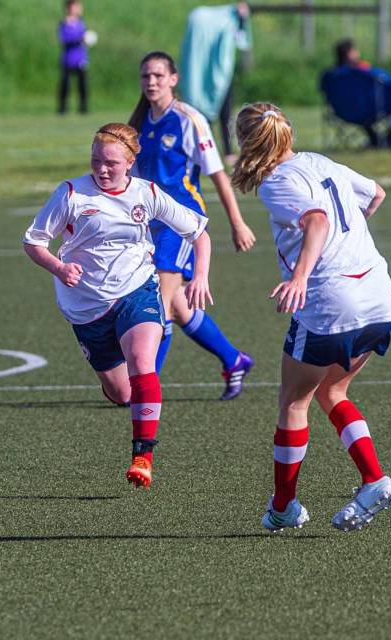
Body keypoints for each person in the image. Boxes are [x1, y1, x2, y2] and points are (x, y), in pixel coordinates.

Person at [233, 102, 391, 532]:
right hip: (378, 296)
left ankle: (283, 508)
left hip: (331, 302)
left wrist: (301, 276)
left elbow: (318, 221)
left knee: (293, 401)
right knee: (333, 391)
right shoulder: (320, 161)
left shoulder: (277, 182)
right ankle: (373, 479)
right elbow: (376, 193)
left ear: (248, 143)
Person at [24, 123, 213, 489]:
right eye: (96, 160)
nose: (102, 169)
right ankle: (120, 389)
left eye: (111, 163)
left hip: (136, 290)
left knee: (143, 362)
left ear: (129, 163)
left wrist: (201, 276)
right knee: (121, 393)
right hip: (85, 308)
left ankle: (143, 456)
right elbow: (33, 242)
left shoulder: (148, 193)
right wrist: (58, 266)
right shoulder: (71, 194)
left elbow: (199, 233)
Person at [128, 50, 256, 401]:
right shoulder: (140, 124)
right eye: (145, 77)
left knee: (161, 305)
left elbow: (217, 174)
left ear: (173, 79)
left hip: (182, 221)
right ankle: (234, 359)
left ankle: (145, 389)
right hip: (153, 226)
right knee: (181, 307)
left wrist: (237, 223)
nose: (151, 82)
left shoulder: (188, 119)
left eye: (157, 76)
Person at [179, 2, 251, 160]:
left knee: (225, 112)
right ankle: (204, 148)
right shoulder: (200, 17)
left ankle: (226, 150)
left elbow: (238, 36)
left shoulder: (205, 16)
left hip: (219, 74)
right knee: (208, 115)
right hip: (212, 73)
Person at [321, 39, 391, 149]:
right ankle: (389, 140)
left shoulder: (329, 75)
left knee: (364, 113)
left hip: (342, 113)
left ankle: (376, 140)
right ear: (350, 52)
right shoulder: (365, 71)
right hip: (372, 110)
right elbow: (387, 81)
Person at [57, 0, 90, 115]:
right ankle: (62, 109)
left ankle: (83, 108)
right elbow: (64, 42)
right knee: (65, 85)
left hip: (81, 59)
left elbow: (84, 39)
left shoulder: (81, 23)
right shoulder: (64, 24)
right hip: (68, 59)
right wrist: (78, 41)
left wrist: (87, 40)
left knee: (83, 85)